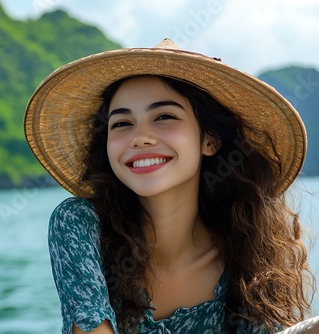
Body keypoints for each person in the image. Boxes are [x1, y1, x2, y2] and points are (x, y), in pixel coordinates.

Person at [24, 39, 317, 333]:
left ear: (210, 140)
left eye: (164, 116)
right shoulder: (80, 223)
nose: (140, 137)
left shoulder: (246, 254)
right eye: (122, 123)